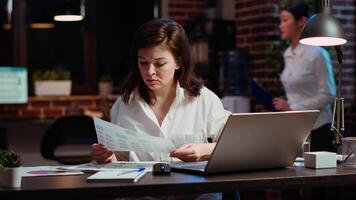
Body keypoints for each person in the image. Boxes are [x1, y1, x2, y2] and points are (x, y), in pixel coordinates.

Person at [91, 18, 231, 199]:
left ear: (178, 62)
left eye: (159, 63)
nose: (149, 72)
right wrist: (108, 158)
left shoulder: (204, 100)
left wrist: (203, 150)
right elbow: (119, 164)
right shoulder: (125, 105)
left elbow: (236, 146)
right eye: (143, 62)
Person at [273, 1, 336, 152]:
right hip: (295, 126)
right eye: (280, 21)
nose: (280, 25)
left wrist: (292, 108)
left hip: (318, 128)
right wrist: (285, 105)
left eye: (285, 20)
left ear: (301, 22)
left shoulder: (317, 54)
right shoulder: (287, 53)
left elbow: (329, 94)